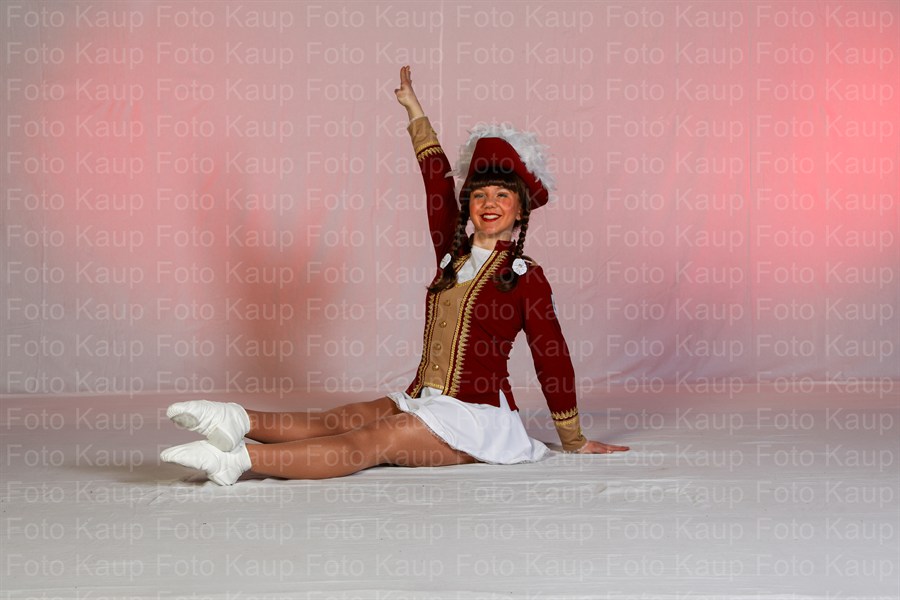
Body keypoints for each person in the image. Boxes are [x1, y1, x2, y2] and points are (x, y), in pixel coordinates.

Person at [159, 65, 629, 485]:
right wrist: (413, 111)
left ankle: (237, 461)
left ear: (521, 210)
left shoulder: (527, 277)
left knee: (370, 441)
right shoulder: (453, 254)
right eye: (480, 194)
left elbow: (552, 355)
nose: (489, 204)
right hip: (424, 397)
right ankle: (236, 419)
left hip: (477, 420)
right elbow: (436, 184)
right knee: (344, 418)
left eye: (502, 196)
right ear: (469, 204)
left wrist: (572, 437)